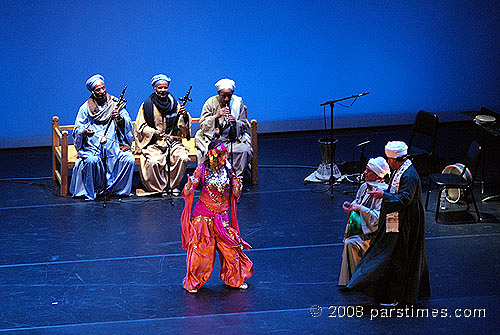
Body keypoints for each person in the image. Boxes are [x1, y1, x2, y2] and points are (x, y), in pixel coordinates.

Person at [347, 141, 431, 305]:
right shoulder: (400, 171)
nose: (388, 162)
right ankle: (391, 294)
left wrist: (383, 196)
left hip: (406, 224)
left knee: (401, 259)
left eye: (389, 159)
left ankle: (398, 297)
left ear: (395, 159)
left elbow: (405, 199)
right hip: (398, 220)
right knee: (394, 257)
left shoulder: (409, 175)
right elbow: (396, 192)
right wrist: (384, 192)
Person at [180, 139, 253, 293]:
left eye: (225, 154)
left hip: (222, 218)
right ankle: (194, 281)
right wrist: (188, 185)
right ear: (213, 156)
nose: (225, 158)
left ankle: (234, 278)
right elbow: (187, 193)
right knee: (202, 254)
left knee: (232, 250)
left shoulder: (228, 168)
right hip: (204, 217)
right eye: (222, 155)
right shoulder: (202, 170)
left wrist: (238, 186)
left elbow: (235, 194)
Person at [70, 74, 135, 200]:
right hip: (93, 145)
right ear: (93, 92)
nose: (101, 92)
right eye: (98, 90)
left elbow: (126, 120)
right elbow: (78, 127)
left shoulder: (116, 103)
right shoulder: (85, 108)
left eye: (103, 88)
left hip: (114, 144)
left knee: (129, 160)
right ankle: (97, 189)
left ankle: (117, 189)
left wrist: (119, 118)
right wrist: (84, 132)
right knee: (91, 161)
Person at [134, 74, 191, 196]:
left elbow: (182, 125)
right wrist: (153, 132)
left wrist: (184, 115)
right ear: (155, 88)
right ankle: (158, 188)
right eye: (160, 88)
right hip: (153, 142)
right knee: (154, 161)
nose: (163, 90)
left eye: (165, 88)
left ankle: (173, 185)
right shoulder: (147, 105)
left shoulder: (174, 104)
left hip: (172, 141)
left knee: (182, 157)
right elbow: (140, 126)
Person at [338, 157, 390, 286]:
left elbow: (378, 218)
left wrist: (360, 208)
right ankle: (353, 279)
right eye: (366, 170)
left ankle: (359, 280)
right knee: (349, 241)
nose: (365, 173)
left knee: (352, 243)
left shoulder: (383, 192)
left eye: (368, 171)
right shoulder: (363, 186)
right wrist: (351, 206)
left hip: (373, 233)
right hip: (362, 228)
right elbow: (358, 202)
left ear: (377, 175)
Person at [195, 78, 252, 178]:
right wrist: (216, 116)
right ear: (218, 93)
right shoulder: (210, 102)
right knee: (207, 151)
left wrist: (235, 122)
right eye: (223, 96)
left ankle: (234, 176)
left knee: (245, 150)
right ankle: (212, 177)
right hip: (213, 139)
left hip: (232, 139)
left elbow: (243, 124)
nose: (226, 99)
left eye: (229, 96)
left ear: (232, 93)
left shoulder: (237, 103)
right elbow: (203, 124)